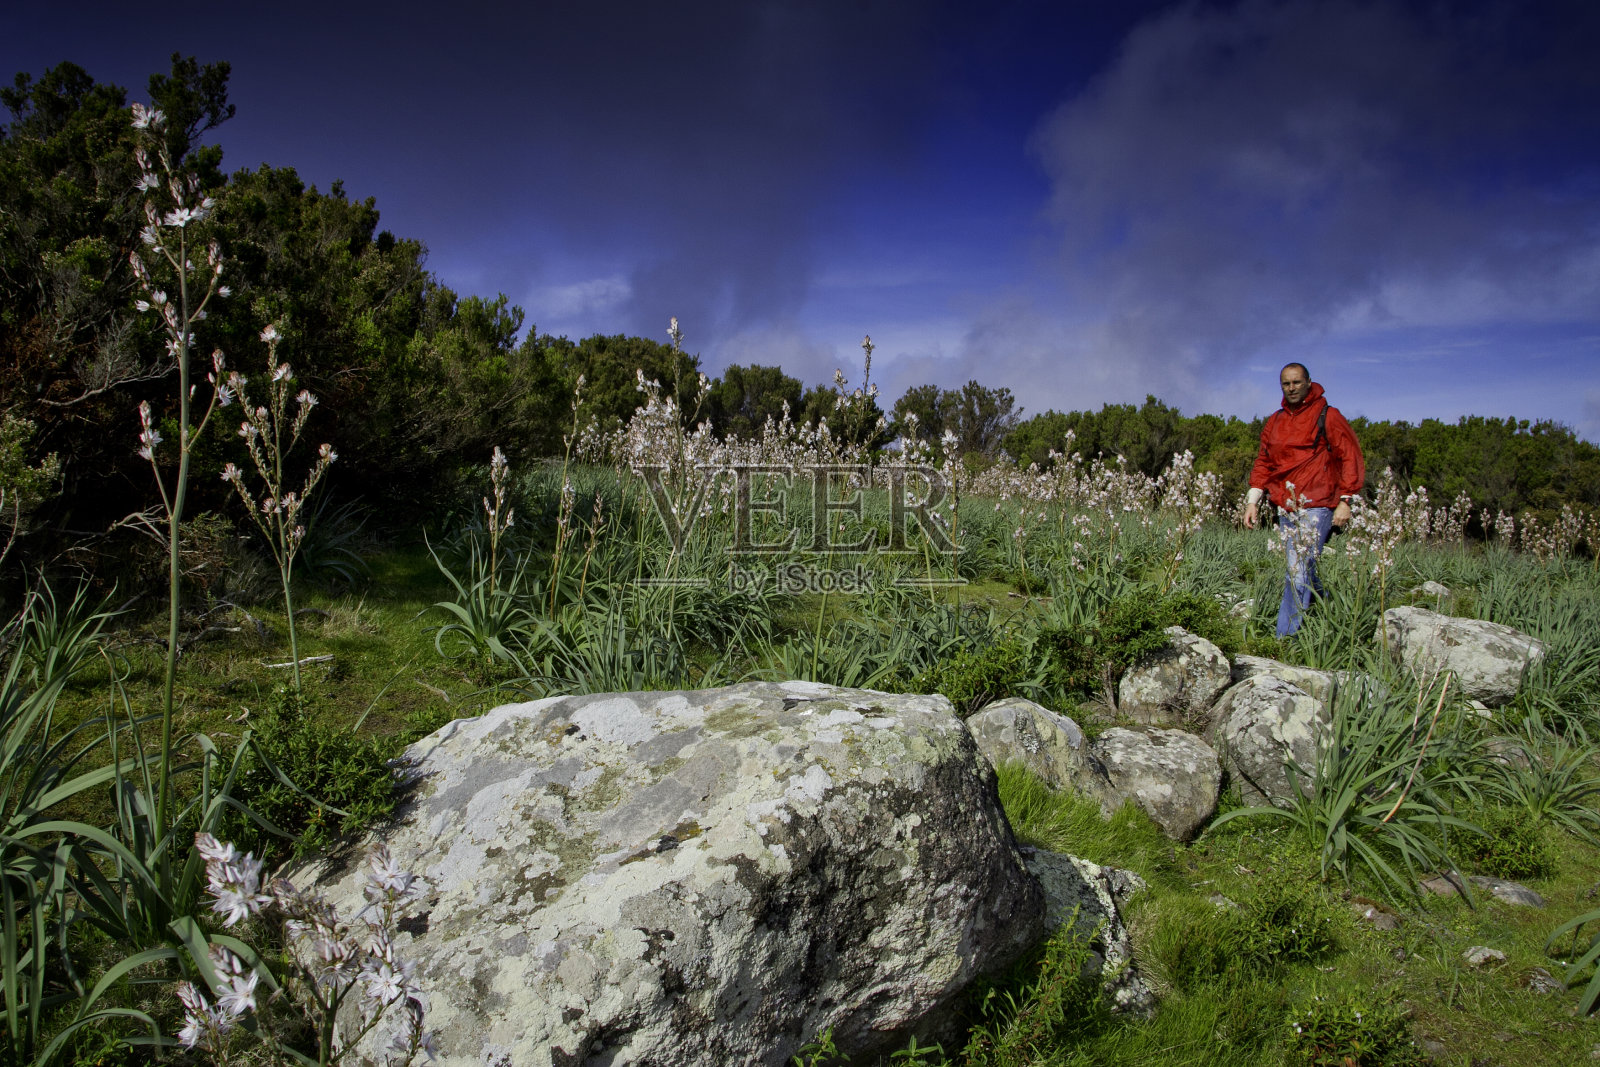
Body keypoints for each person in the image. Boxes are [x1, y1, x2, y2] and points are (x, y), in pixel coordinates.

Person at [1243, 363, 1366, 636]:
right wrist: (1253, 500)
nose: (1292, 388)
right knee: (1302, 568)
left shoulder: (1328, 415)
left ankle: (1284, 641)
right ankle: (1326, 608)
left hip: (1318, 504)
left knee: (1297, 570)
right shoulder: (1275, 421)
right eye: (1286, 383)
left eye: (1297, 382)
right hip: (1286, 506)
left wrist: (1346, 500)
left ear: (1309, 382)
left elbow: (1350, 455)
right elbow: (1264, 461)